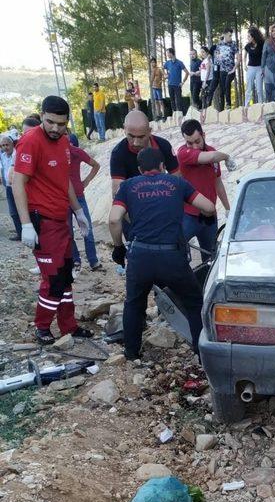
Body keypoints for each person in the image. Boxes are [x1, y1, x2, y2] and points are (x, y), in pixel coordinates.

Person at [109, 147, 216, 360]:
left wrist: (118, 247)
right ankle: (200, 351)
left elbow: (114, 219)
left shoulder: (128, 186)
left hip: (140, 257)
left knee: (134, 303)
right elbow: (209, 206)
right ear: (162, 166)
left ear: (140, 169)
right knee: (194, 301)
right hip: (172, 258)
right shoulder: (177, 183)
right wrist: (205, 216)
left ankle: (131, 353)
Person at [11, 96, 93, 345]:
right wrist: (25, 224)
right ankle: (42, 326)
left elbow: (64, 179)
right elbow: (18, 182)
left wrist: (78, 211)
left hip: (61, 219)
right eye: (50, 122)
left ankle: (69, 326)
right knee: (53, 278)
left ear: (67, 122)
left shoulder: (64, 141)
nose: (55, 128)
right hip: (42, 220)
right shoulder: (31, 141)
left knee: (66, 275)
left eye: (61, 123)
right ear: (42, 115)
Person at [177, 119, 232, 263]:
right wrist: (226, 157)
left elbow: (218, 182)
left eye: (197, 141)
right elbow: (212, 157)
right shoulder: (183, 153)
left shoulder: (213, 151)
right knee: (177, 253)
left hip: (209, 216)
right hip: (188, 215)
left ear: (204, 135)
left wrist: (228, 209)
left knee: (210, 259)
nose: (194, 146)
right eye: (189, 143)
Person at [110, 110, 180, 200]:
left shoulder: (163, 146)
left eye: (141, 137)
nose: (136, 143)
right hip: (135, 203)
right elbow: (117, 193)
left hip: (163, 197)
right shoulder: (118, 153)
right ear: (124, 129)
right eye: (131, 136)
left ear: (149, 131)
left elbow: (177, 179)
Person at [66, 133, 101, 271]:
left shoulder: (76, 152)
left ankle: (92, 260)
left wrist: (86, 181)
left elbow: (96, 165)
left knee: (87, 228)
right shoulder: (55, 154)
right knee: (68, 231)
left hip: (77, 195)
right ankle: (77, 260)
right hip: (64, 197)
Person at [213, 29, 239, 110]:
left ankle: (228, 106)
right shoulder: (219, 44)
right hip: (222, 71)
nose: (230, 37)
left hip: (231, 70)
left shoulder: (233, 44)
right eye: (229, 35)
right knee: (222, 90)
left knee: (227, 85)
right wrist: (218, 58)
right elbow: (216, 56)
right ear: (224, 35)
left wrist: (234, 69)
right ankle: (221, 109)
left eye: (231, 36)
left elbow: (239, 58)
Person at [0, 134, 19, 240]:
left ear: (12, 144)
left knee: (21, 209)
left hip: (18, 186)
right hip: (8, 187)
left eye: (7, 145)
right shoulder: (2, 156)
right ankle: (20, 232)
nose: (5, 147)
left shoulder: (17, 154)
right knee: (13, 212)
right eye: (2, 145)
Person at [163, 48, 189, 117]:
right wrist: (165, 75)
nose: (167, 55)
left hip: (177, 85)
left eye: (168, 53)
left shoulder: (179, 62)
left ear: (171, 53)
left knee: (179, 101)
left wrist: (183, 82)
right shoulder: (167, 63)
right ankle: (174, 116)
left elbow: (187, 73)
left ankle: (181, 116)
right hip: (170, 85)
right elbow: (163, 70)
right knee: (172, 101)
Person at [244, 27, 265, 106]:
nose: (248, 38)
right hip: (251, 68)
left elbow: (264, 55)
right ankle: (246, 105)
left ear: (253, 36)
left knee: (259, 89)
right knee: (249, 88)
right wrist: (244, 65)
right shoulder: (247, 46)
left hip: (259, 68)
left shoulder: (261, 44)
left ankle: (261, 105)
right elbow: (245, 55)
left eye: (249, 36)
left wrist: (263, 68)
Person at [262, 24, 275, 102]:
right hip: (268, 67)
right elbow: (263, 55)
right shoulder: (267, 42)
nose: (274, 33)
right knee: (268, 89)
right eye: (272, 31)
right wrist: (262, 68)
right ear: (270, 32)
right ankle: (269, 107)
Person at [199, 46, 214, 121]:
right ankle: (205, 114)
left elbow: (208, 71)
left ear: (207, 52)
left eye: (203, 52)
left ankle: (208, 113)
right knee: (203, 97)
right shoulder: (204, 60)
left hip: (208, 80)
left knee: (207, 97)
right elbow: (203, 71)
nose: (202, 53)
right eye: (201, 52)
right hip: (204, 80)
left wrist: (205, 82)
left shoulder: (208, 60)